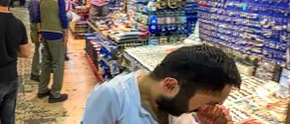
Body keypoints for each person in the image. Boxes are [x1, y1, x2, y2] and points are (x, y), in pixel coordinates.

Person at [80, 44, 239, 123]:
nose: (210, 110)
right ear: (170, 85)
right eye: (211, 103)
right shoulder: (111, 96)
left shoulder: (180, 106)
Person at [32, 0, 71, 102]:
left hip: (45, 32)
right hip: (56, 33)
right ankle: (55, 93)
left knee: (46, 62)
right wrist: (65, 33)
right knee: (58, 64)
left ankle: (42, 89)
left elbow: (37, 17)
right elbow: (63, 17)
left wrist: (39, 32)